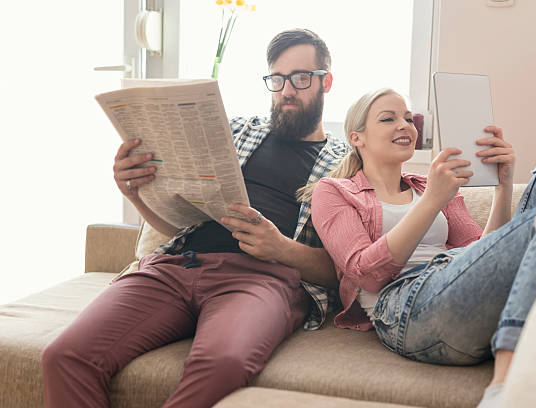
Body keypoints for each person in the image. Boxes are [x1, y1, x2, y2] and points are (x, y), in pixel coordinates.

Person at [42, 29, 348, 408]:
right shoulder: (235, 131)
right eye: (277, 79)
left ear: (326, 82)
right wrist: (134, 193)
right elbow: (181, 224)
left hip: (259, 278)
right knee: (65, 356)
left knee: (223, 362)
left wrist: (280, 247)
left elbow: (347, 271)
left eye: (301, 78)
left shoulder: (345, 163)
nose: (287, 90)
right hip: (175, 265)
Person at [309, 88, 536, 408]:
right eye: (388, 118)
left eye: (408, 117)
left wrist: (503, 185)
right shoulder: (334, 191)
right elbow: (366, 273)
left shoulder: (428, 183)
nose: (404, 125)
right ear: (357, 138)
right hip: (405, 306)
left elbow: (482, 252)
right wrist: (433, 200)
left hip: (457, 280)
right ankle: (506, 384)